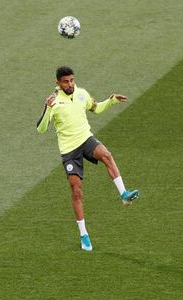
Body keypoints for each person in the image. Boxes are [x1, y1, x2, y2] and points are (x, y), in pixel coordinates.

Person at [36, 66, 139, 252]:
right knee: (76, 190)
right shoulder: (54, 102)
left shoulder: (82, 94)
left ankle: (124, 194)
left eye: (72, 80)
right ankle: (84, 234)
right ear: (57, 83)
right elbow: (41, 129)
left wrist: (112, 100)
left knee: (107, 155)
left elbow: (96, 108)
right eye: (66, 81)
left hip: (86, 139)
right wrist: (46, 108)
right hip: (69, 151)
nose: (70, 84)